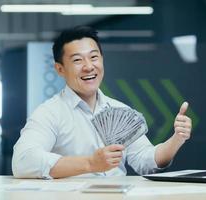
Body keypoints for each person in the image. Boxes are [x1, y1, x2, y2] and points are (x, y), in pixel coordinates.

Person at [12, 26, 192, 179]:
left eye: (94, 57)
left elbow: (146, 162)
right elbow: (23, 161)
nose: (89, 66)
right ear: (60, 69)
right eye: (77, 60)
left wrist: (176, 139)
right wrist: (90, 164)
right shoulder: (49, 113)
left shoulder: (120, 110)